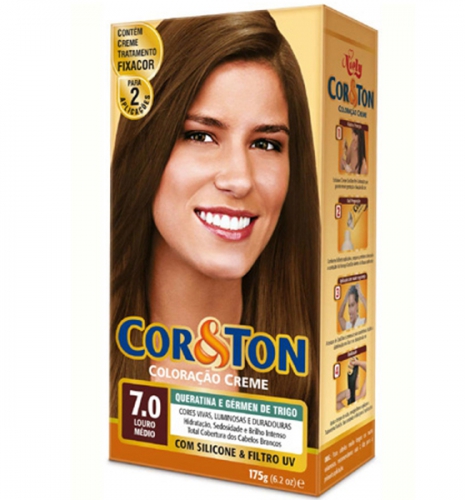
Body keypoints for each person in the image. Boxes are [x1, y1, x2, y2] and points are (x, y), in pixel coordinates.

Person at [110, 11, 321, 447]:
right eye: (201, 136)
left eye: (266, 143)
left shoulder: (325, 384)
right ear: (147, 146)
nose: (239, 179)